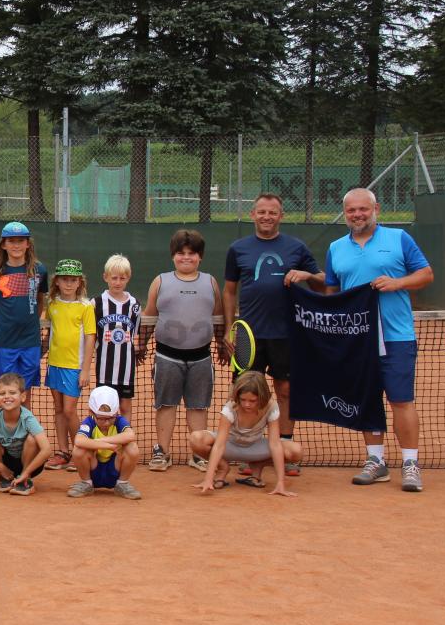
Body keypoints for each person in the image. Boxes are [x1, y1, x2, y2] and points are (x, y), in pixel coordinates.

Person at [322, 187, 433, 492]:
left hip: (397, 337)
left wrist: (398, 282)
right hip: (358, 339)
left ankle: (410, 464)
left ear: (376, 209)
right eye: (351, 211)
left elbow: (425, 274)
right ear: (345, 214)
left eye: (363, 209)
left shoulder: (399, 239)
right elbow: (332, 292)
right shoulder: (335, 248)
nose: (357, 215)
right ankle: (376, 461)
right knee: (366, 400)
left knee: (401, 400)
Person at [222, 193, 324, 477]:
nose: (267, 217)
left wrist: (307, 275)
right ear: (253, 214)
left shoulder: (297, 248)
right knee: (246, 393)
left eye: (273, 213)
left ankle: (287, 450)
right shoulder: (238, 248)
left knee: (286, 391)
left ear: (281, 216)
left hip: (287, 334)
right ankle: (247, 450)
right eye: (262, 212)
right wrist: (231, 327)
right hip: (249, 336)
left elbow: (325, 283)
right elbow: (229, 291)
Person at [135, 229, 229, 473]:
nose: (186, 258)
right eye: (181, 253)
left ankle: (198, 454)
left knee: (198, 406)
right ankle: (162, 452)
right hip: (167, 356)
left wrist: (220, 343)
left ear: (200, 257)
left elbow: (218, 317)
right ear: (173, 256)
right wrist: (141, 344)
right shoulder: (161, 281)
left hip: (201, 356)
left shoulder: (210, 282)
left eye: (192, 253)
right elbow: (149, 316)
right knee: (166, 404)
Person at [189, 371, 301, 497]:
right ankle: (223, 468)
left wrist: (280, 482)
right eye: (243, 399)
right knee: (196, 438)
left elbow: (274, 444)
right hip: (229, 446)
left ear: (262, 397)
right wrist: (208, 478)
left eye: (252, 400)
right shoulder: (231, 407)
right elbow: (219, 445)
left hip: (255, 448)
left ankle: (259, 464)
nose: (247, 404)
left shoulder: (271, 406)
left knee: (296, 451)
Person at [0, 221, 48, 394]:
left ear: (28, 244)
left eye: (21, 240)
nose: (16, 245)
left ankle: (24, 422)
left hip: (31, 341)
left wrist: (31, 320)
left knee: (24, 392)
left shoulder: (39, 270)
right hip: (5, 342)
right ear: (3, 244)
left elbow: (40, 300)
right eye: (11, 240)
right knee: (6, 391)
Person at [44, 258, 95, 471]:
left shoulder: (85, 307)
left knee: (69, 411)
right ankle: (63, 452)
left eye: (73, 280)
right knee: (58, 410)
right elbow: (49, 331)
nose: (68, 284)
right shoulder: (51, 304)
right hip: (54, 364)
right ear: (57, 281)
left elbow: (90, 338)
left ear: (79, 283)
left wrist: (85, 369)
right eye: (64, 279)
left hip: (74, 368)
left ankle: (78, 452)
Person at [0, 372, 52, 495]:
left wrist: (26, 473)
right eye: (2, 393)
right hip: (6, 463)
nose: (7, 396)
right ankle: (5, 477)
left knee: (32, 439)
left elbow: (46, 450)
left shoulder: (27, 418)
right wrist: (1, 468)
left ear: (23, 397)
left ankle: (25, 480)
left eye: (12, 393)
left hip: (30, 464)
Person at [66, 386, 142, 500]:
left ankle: (122, 484)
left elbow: (130, 435)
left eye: (110, 418)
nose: (106, 423)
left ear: (116, 413)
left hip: (114, 469)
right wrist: (108, 446)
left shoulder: (119, 420)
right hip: (93, 469)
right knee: (78, 449)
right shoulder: (90, 421)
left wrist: (97, 441)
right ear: (91, 412)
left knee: (132, 447)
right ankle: (86, 483)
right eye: (101, 419)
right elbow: (79, 440)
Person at [91, 254, 141, 420]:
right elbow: (91, 334)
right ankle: (104, 441)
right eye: (114, 278)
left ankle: (124, 438)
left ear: (128, 278)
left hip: (126, 368)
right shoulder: (96, 303)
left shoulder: (134, 305)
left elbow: (136, 333)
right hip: (104, 368)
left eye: (122, 278)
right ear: (105, 277)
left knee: (125, 405)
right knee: (104, 406)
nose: (118, 282)